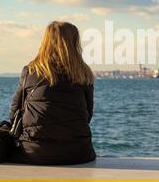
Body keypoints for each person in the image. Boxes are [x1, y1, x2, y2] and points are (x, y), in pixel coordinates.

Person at [9, 21, 96, 165]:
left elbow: (14, 113)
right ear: (74, 43)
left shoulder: (30, 71)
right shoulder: (84, 73)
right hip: (79, 153)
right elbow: (87, 115)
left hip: (35, 153)